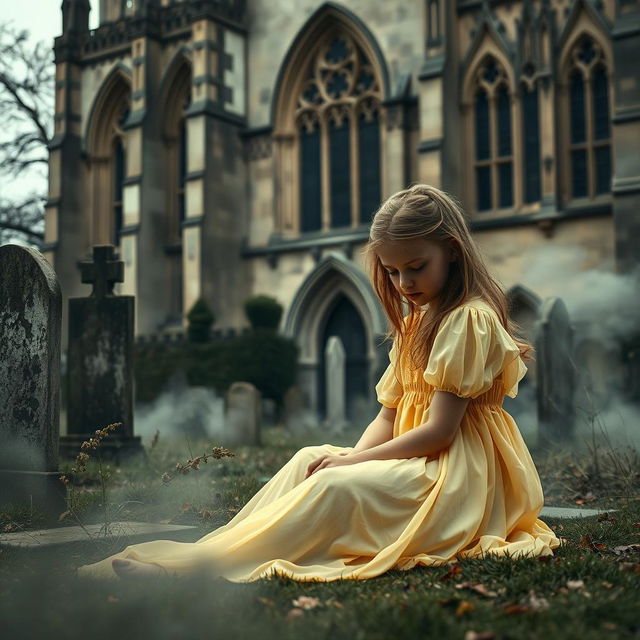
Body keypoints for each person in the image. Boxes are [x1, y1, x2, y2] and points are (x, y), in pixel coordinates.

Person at [76, 183, 562, 582]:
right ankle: (216, 551)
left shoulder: (466, 320)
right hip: (421, 458)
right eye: (392, 272)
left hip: (456, 478)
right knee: (310, 459)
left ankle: (200, 574)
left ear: (452, 253)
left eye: (417, 268)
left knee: (334, 486)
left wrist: (355, 465)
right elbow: (389, 414)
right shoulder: (417, 321)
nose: (405, 284)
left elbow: (439, 435)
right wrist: (350, 458)